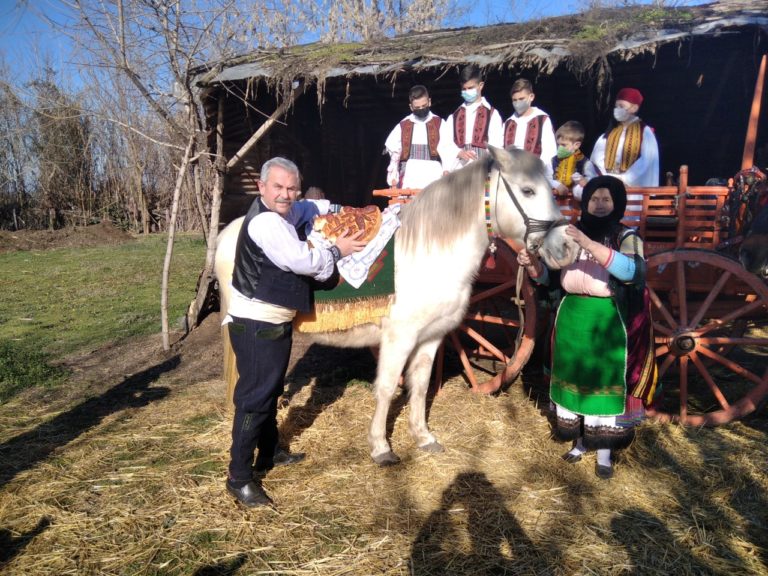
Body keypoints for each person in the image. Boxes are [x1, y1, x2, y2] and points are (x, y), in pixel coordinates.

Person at [224, 157, 366, 507]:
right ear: (261, 187)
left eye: (292, 188)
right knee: (255, 399)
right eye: (279, 187)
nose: (286, 195)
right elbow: (305, 261)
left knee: (269, 391)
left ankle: (269, 452)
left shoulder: (286, 208)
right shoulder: (268, 224)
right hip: (258, 321)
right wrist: (338, 249)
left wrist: (339, 208)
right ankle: (238, 477)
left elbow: (309, 207)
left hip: (273, 318)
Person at [517, 176, 657, 480]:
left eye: (606, 199)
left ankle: (604, 453)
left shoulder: (626, 235)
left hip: (605, 319)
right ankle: (580, 443)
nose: (600, 204)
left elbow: (632, 272)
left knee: (602, 383)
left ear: (617, 203)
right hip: (571, 316)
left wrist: (588, 243)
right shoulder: (567, 234)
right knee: (573, 381)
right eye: (594, 199)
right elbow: (549, 279)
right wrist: (530, 264)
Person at [590, 88, 660, 215]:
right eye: (616, 106)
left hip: (631, 188)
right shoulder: (610, 132)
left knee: (627, 223)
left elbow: (647, 159)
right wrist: (607, 177)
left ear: (634, 108)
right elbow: (597, 157)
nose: (617, 109)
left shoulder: (645, 131)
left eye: (622, 106)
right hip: (607, 185)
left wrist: (625, 179)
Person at [437, 64, 503, 172]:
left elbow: (496, 145)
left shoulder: (492, 114)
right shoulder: (454, 116)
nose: (467, 91)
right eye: (464, 89)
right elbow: (445, 144)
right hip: (459, 170)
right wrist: (458, 152)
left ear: (480, 85)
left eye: (471, 88)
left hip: (483, 169)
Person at [384, 85, 444, 189]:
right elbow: (394, 155)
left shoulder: (440, 123)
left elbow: (448, 153)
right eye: (417, 108)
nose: (421, 109)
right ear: (411, 107)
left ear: (429, 102)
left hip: (434, 178)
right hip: (410, 179)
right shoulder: (402, 126)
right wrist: (393, 179)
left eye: (424, 106)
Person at [503, 78, 557, 165]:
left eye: (521, 99)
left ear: (531, 97)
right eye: (515, 100)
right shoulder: (508, 123)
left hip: (534, 173)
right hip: (511, 174)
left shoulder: (542, 120)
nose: (518, 103)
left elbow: (549, 152)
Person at [547, 120, 598, 199]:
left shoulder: (585, 163)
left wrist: (584, 180)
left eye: (563, 145)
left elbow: (594, 180)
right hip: (555, 203)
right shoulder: (552, 161)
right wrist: (557, 185)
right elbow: (545, 179)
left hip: (576, 206)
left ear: (576, 145)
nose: (559, 148)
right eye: (558, 144)